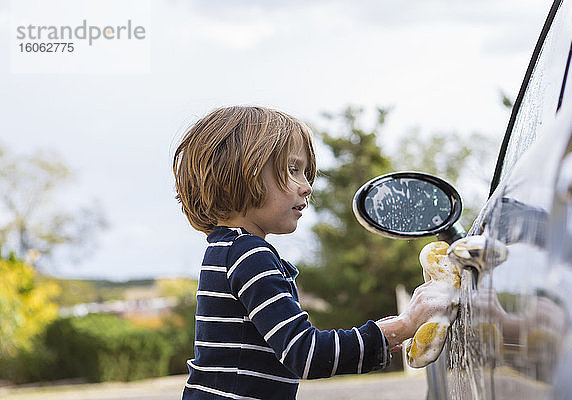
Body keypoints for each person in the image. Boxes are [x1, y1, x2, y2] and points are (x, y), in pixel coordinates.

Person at [173, 105, 452, 400]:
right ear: (243, 172)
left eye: (306, 173)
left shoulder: (224, 249)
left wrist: (382, 333)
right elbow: (305, 353)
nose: (307, 187)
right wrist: (404, 325)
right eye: (293, 170)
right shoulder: (249, 255)